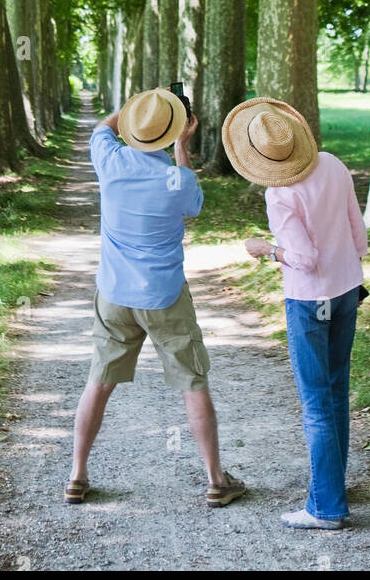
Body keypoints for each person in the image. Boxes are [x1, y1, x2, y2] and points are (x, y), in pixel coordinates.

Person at [65, 86, 246, 508]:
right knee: (192, 382)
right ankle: (216, 480)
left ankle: (76, 475)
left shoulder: (108, 160)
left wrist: (135, 107)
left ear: (132, 128)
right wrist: (181, 143)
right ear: (175, 132)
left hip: (114, 294)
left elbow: (101, 129)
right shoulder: (176, 178)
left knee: (99, 382)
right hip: (164, 296)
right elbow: (193, 207)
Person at [222, 96, 368, 530]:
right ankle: (333, 485)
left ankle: (326, 508)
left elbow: (302, 259)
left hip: (309, 299)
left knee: (316, 402)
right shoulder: (333, 163)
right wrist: (347, 261)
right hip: (346, 290)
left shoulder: (280, 193)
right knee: (337, 389)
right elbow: (358, 234)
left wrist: (266, 250)